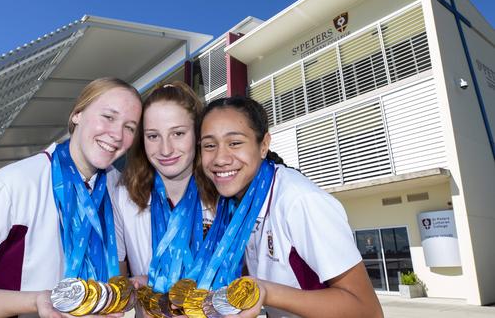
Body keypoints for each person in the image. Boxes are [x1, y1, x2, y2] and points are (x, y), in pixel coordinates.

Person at [0, 78, 142, 318]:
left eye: (130, 127)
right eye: (108, 117)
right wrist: (36, 301)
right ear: (77, 114)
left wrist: (127, 292)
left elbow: (116, 275)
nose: (117, 134)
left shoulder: (121, 189)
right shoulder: (12, 184)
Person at [198, 96, 383, 318]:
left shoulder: (300, 201)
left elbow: (367, 310)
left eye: (235, 143)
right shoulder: (237, 205)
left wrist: (267, 292)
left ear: (264, 144)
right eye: (209, 145)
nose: (220, 158)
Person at [113, 82, 217, 315]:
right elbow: (119, 282)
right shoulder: (123, 197)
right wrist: (136, 288)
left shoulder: (223, 193)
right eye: (153, 136)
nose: (166, 149)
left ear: (198, 134)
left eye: (178, 133)